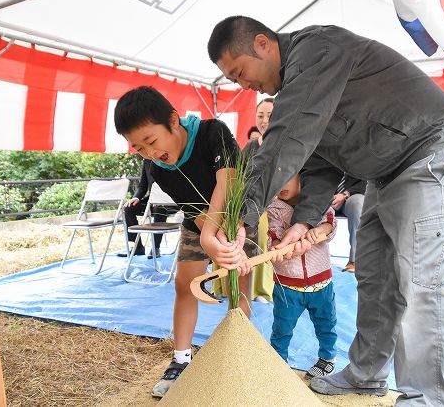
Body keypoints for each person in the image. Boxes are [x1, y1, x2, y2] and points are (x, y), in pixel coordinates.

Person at [203, 16, 444, 406]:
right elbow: (318, 163)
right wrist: (303, 220)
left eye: (240, 72)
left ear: (263, 44)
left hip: (428, 151)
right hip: (385, 173)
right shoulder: (300, 87)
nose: (242, 85)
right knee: (375, 275)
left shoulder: (318, 49)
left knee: (420, 280)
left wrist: (242, 219)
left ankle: (428, 399)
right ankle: (367, 375)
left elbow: (285, 140)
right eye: (232, 79)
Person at [114, 86, 252, 399]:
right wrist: (208, 233)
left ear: (173, 121)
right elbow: (193, 209)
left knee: (238, 280)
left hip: (238, 215)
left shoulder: (210, 132)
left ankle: (241, 353)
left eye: (151, 141)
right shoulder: (155, 167)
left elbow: (228, 179)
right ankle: (181, 360)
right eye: (138, 148)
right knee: (184, 285)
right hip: (198, 220)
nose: (149, 153)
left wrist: (221, 238)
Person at [267, 172, 338, 380]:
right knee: (282, 326)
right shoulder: (274, 209)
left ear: (302, 178)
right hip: (288, 285)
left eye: (288, 176)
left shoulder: (319, 200)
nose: (281, 185)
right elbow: (274, 245)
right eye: (276, 179)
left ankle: (327, 358)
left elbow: (331, 225)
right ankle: (278, 361)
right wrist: (286, 247)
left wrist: (321, 229)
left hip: (321, 281)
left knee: (326, 322)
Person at [117, 158, 167, 258]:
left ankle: (155, 247)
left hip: (171, 201)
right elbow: (142, 185)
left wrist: (161, 198)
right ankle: (138, 247)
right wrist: (136, 197)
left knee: (160, 207)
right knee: (129, 208)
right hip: (151, 201)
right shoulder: (147, 161)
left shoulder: (168, 157)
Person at [331, 174, 366, 273]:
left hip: (352, 194)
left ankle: (355, 261)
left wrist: (345, 194)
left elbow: (368, 179)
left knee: (357, 203)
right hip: (323, 194)